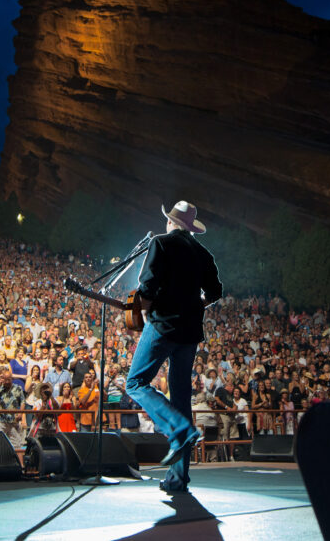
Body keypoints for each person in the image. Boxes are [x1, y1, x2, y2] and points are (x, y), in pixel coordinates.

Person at [126, 201, 222, 494]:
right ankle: (178, 478)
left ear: (171, 222)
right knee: (181, 397)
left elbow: (148, 287)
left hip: (162, 326)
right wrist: (193, 307)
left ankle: (177, 429)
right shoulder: (203, 253)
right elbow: (215, 292)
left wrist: (140, 310)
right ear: (191, 227)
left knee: (136, 382)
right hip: (190, 332)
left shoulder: (161, 243)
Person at [0, 367, 25, 449]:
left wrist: (20, 413)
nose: (7, 382)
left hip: (13, 420)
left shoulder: (17, 388)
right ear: (2, 379)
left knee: (16, 444)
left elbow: (22, 401)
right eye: (5, 379)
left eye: (9, 379)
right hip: (0, 420)